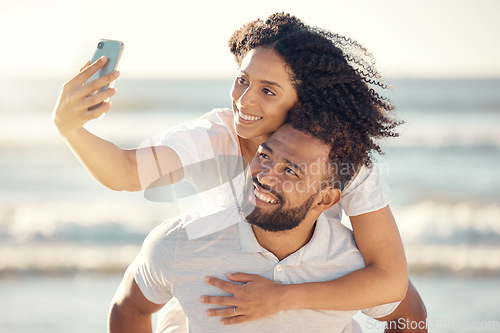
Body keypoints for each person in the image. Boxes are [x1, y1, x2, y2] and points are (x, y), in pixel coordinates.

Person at [53, 12, 414, 320]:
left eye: (267, 90)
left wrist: (280, 298)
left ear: (304, 101)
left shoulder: (335, 157)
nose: (244, 99)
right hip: (212, 304)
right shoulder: (213, 136)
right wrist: (70, 129)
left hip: (301, 302)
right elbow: (126, 172)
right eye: (242, 79)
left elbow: (391, 281)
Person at [109, 121, 420, 333]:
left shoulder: (353, 264)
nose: (265, 176)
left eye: (291, 171)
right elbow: (130, 308)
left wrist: (286, 297)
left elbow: (409, 317)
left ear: (326, 199)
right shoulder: (182, 242)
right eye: (265, 156)